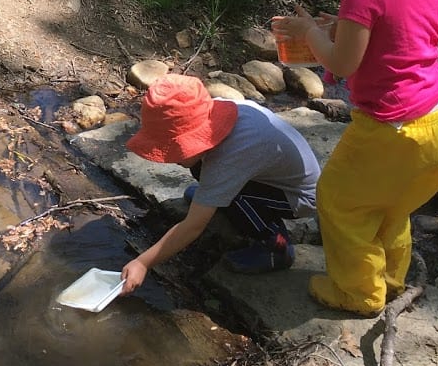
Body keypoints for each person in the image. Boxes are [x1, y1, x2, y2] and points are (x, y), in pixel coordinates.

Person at [275, 0, 438, 316]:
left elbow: (340, 64)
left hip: (391, 129)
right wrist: (337, 29)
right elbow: (400, 37)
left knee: (340, 201)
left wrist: (311, 31)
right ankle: (391, 280)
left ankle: (358, 293)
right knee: (392, 207)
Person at [120, 74, 320, 294]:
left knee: (233, 194)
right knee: (208, 176)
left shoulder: (232, 155)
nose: (171, 159)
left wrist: (143, 262)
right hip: (266, 177)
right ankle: (213, 199)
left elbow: (193, 227)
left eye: (173, 150)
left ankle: (276, 245)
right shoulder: (218, 111)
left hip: (300, 198)